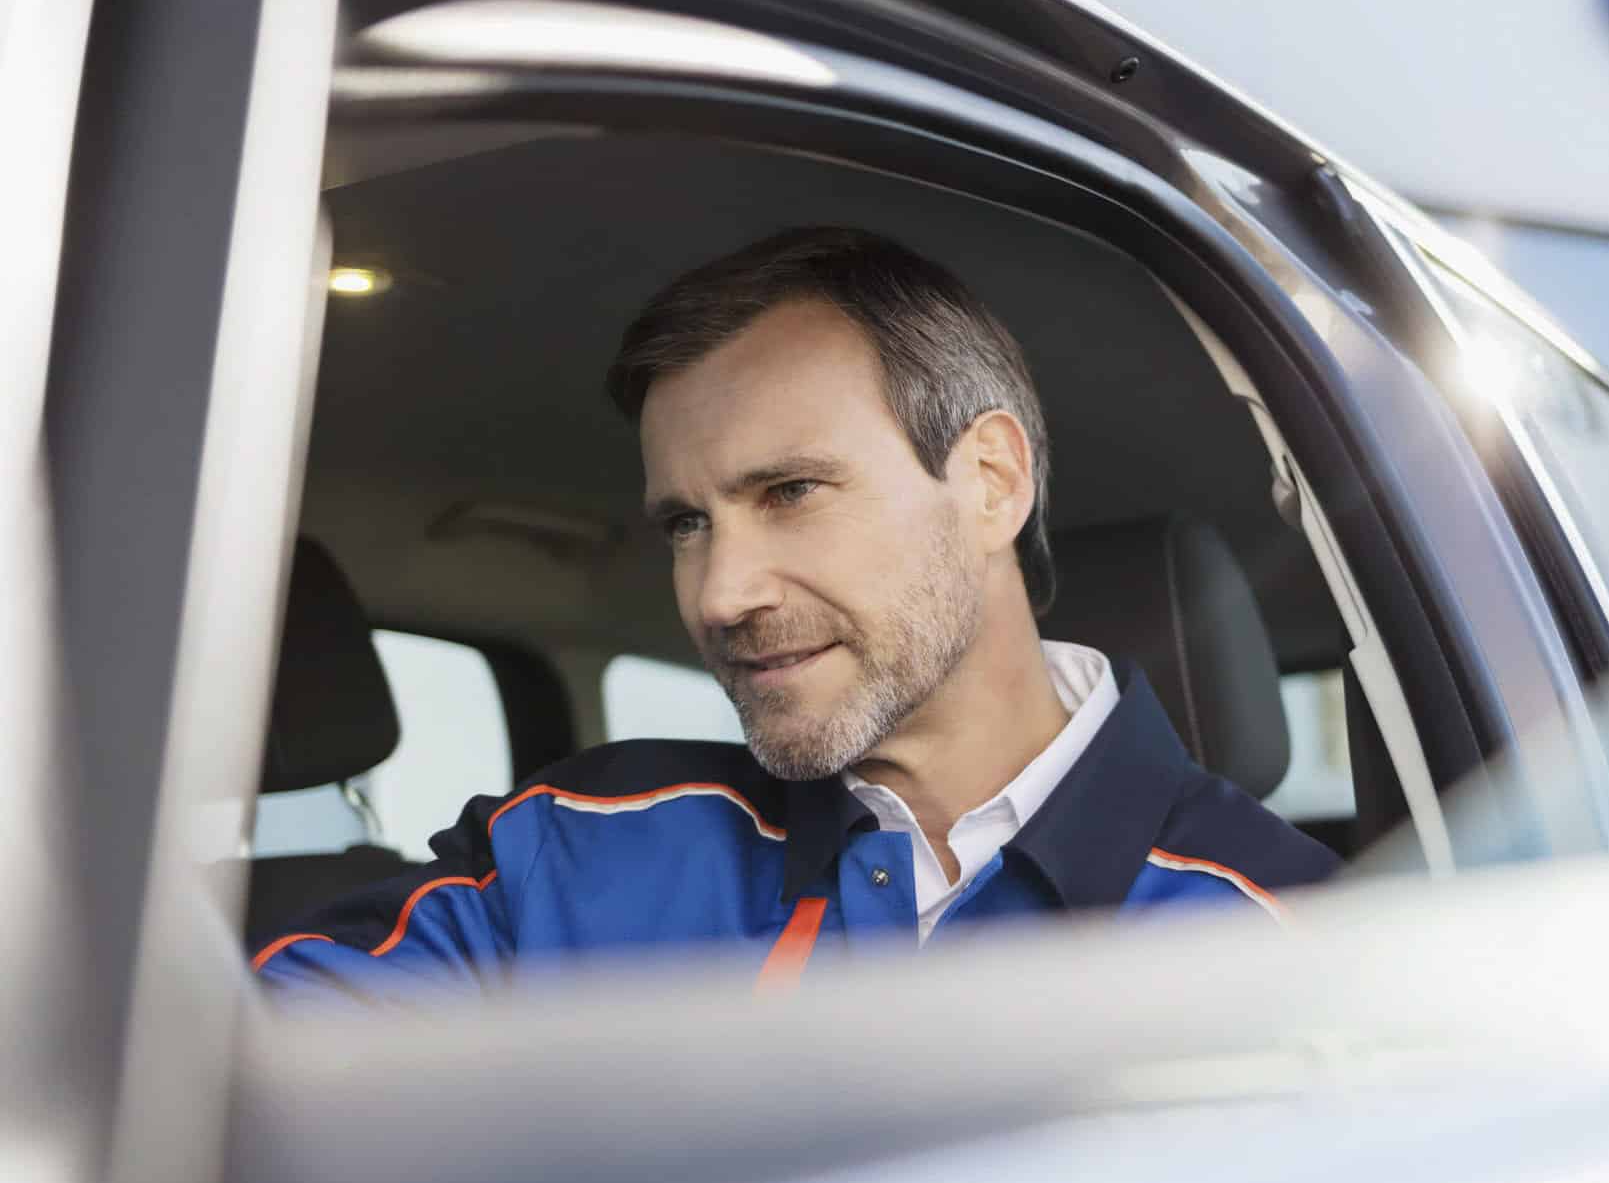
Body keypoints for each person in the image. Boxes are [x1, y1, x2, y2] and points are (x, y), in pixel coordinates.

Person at [253, 227, 1337, 1001]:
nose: (721, 594)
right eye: (687, 523)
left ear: (992, 482)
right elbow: (207, 1106)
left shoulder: (1302, 947)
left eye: (790, 493)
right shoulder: (571, 852)